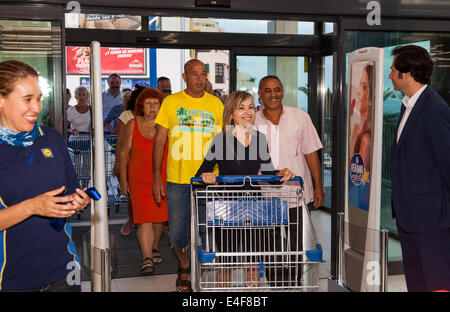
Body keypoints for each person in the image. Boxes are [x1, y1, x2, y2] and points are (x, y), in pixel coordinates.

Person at [0, 60, 90, 291]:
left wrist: (79, 202)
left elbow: (71, 193)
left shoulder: (51, 137)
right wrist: (32, 207)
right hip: (11, 279)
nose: (37, 107)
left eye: (39, 98)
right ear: (1, 99)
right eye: (28, 99)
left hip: (65, 269)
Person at [195, 90, 295, 287]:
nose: (247, 112)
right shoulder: (221, 139)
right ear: (231, 113)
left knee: (252, 262)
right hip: (227, 207)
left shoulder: (259, 139)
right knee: (226, 262)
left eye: (250, 107)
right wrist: (206, 176)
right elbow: (202, 172)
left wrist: (281, 174)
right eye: (241, 107)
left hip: (254, 206)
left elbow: (268, 173)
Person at [152, 59, 223, 292]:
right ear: (184, 77)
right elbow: (160, 141)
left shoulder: (216, 104)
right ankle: (184, 262)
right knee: (178, 234)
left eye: (203, 74)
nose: (200, 78)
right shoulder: (171, 102)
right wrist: (156, 177)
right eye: (194, 74)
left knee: (206, 231)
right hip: (178, 180)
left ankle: (197, 271)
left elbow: (225, 142)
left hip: (209, 180)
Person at [389, 45, 450, 292]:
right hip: (408, 215)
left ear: (407, 73)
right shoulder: (408, 105)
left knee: (437, 281)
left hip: (431, 217)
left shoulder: (435, 109)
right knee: (416, 280)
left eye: (393, 70)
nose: (390, 75)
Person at [255, 75, 324, 209]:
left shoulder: (300, 116)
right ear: (260, 94)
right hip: (265, 196)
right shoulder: (253, 122)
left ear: (283, 92)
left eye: (277, 90)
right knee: (269, 231)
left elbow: (311, 153)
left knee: (298, 231)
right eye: (268, 90)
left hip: (297, 195)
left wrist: (318, 187)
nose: (273, 94)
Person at [119, 87, 168, 274]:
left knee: (159, 219)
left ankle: (154, 247)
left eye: (156, 103)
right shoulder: (132, 123)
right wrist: (123, 180)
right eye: (148, 103)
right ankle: (146, 257)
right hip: (138, 179)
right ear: (141, 105)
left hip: (162, 178)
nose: (152, 107)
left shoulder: (166, 125)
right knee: (144, 219)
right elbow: (123, 154)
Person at [115, 87, 144, 236]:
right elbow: (120, 141)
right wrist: (118, 164)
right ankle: (132, 219)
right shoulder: (126, 115)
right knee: (132, 195)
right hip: (130, 161)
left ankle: (149, 221)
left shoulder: (153, 115)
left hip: (147, 161)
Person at [349, 64, 373, 172]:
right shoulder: (356, 129)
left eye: (363, 87)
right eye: (359, 85)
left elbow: (362, 181)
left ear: (372, 99)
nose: (358, 92)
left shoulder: (366, 140)